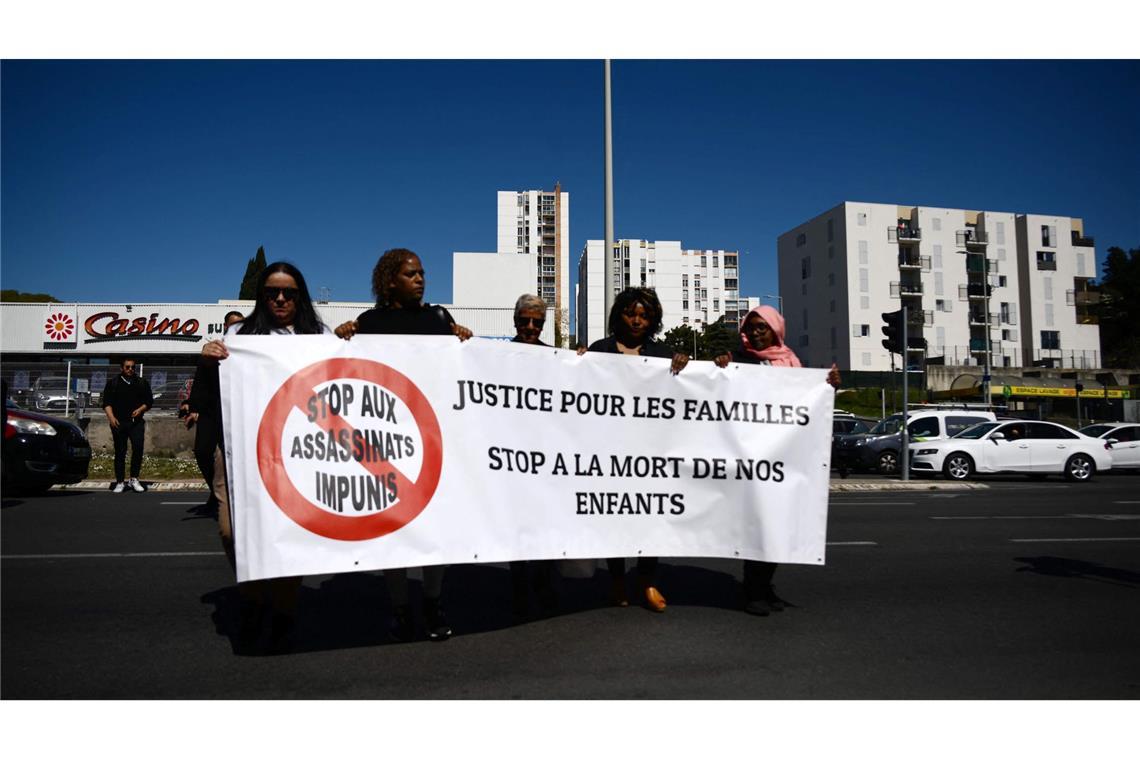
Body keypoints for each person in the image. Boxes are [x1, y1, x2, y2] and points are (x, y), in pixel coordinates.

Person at [335, 247, 472, 642]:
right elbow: (345, 369)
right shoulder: (369, 323)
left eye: (423, 273)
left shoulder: (437, 318)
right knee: (393, 529)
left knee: (436, 527)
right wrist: (342, 338)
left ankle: (432, 601)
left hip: (434, 435)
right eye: (412, 274)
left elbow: (461, 366)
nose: (421, 279)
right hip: (387, 439)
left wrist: (462, 338)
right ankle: (399, 607)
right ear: (390, 279)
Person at [201, 262, 331, 653]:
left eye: (288, 292)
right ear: (261, 296)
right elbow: (214, 389)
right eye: (272, 291)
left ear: (300, 296)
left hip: (297, 453)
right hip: (241, 448)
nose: (279, 298)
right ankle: (256, 599)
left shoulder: (318, 336)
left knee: (288, 536)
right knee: (231, 531)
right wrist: (208, 359)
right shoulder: (240, 335)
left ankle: (283, 615)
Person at [714, 305, 840, 617]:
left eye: (763, 327)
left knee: (779, 526)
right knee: (760, 526)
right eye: (751, 326)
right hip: (750, 458)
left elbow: (807, 404)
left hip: (782, 458)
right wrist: (719, 366)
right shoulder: (737, 360)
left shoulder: (791, 362)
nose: (756, 332)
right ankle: (753, 590)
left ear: (776, 329)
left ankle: (765, 587)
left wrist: (828, 386)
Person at [577, 287, 689, 612]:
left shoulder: (664, 355)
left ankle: (647, 581)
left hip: (651, 454)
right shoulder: (600, 350)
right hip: (610, 452)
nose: (637, 320)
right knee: (615, 516)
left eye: (644, 315)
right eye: (630, 313)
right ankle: (616, 580)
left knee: (649, 518)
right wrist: (577, 364)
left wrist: (684, 366)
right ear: (619, 315)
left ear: (652, 320)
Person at [505, 294, 560, 619]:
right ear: (515, 321)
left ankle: (543, 582)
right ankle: (520, 587)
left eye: (536, 323)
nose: (530, 327)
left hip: (546, 455)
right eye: (524, 321)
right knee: (516, 525)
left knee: (545, 522)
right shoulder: (497, 355)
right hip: (511, 455)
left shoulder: (554, 357)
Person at [185, 310, 245, 511]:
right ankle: (216, 489)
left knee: (237, 458)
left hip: (237, 412)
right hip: (212, 411)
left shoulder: (249, 350)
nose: (236, 328)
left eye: (240, 325)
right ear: (225, 327)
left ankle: (233, 497)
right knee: (202, 451)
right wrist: (193, 408)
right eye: (232, 324)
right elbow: (200, 379)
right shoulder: (213, 349)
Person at [101, 357, 154, 494]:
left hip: (136, 423)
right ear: (121, 368)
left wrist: (141, 409)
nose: (130, 369)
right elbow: (107, 403)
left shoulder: (141, 382)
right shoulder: (113, 383)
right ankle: (120, 481)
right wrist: (111, 417)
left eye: (132, 367)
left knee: (138, 448)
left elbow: (149, 401)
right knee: (120, 451)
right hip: (118, 423)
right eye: (127, 367)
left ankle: (134, 478)